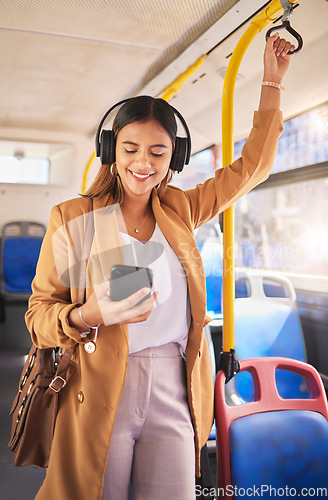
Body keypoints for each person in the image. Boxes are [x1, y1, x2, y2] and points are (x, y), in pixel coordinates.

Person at [25, 34, 294, 500]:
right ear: (112, 151)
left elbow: (252, 168)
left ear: (174, 158)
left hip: (175, 384)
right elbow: (38, 316)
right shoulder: (72, 218)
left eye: (157, 152)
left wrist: (272, 82)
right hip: (101, 382)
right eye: (130, 149)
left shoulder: (182, 210)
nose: (142, 164)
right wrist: (88, 315)